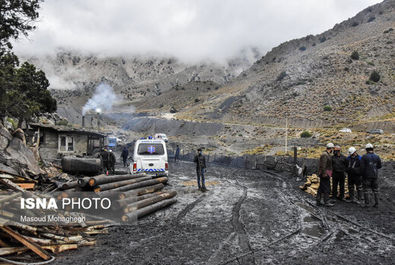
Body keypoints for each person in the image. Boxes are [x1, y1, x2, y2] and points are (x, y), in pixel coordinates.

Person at [360, 143, 382, 208]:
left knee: (366, 190)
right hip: (375, 176)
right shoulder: (377, 156)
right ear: (372, 149)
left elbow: (362, 168)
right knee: (375, 190)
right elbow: (379, 166)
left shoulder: (364, 157)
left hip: (367, 176)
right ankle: (377, 204)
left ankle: (367, 204)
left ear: (366, 149)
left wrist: (361, 175)